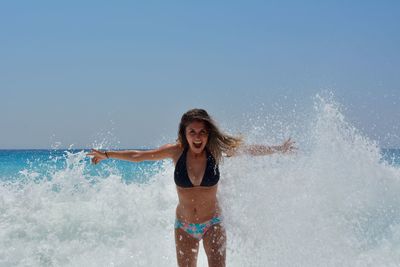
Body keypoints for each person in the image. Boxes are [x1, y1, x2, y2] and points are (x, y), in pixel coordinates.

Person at [87, 108, 295, 267]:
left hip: (213, 223)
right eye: (192, 132)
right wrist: (107, 155)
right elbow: (140, 156)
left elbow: (249, 150)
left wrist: (279, 149)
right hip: (184, 227)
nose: (197, 137)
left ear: (208, 134)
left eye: (202, 132)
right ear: (184, 134)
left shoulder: (216, 150)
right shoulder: (176, 152)